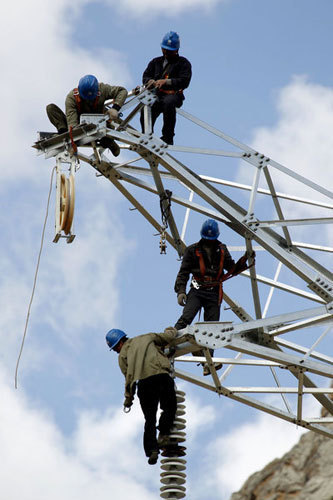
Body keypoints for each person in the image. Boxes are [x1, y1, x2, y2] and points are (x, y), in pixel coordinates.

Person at [174, 219, 252, 376]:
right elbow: (183, 272)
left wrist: (245, 260)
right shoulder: (192, 250)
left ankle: (207, 362)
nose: (210, 243)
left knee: (212, 328)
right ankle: (168, 340)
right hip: (197, 290)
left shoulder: (221, 250)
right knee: (186, 318)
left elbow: (231, 268)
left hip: (213, 292)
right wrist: (181, 291)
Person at [106, 326, 178, 465]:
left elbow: (129, 379)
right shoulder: (147, 337)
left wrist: (128, 400)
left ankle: (152, 450)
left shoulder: (122, 356)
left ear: (120, 343)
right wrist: (172, 329)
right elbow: (168, 337)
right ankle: (164, 433)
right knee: (170, 407)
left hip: (145, 385)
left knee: (149, 419)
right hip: (161, 377)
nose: (116, 351)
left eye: (115, 348)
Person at [46, 74, 128, 156]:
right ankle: (63, 134)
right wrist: (72, 138)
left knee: (111, 115)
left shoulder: (102, 89)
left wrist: (115, 107)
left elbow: (122, 91)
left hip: (100, 123)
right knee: (51, 108)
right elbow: (72, 122)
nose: (89, 100)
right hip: (79, 125)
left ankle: (109, 140)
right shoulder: (72, 98)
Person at [140, 31, 192, 145]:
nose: (166, 52)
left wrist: (167, 82)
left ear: (176, 50)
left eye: (169, 51)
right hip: (157, 94)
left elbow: (184, 81)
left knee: (168, 104)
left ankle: (167, 138)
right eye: (164, 50)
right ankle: (146, 135)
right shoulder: (156, 62)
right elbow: (145, 76)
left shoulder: (183, 63)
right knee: (146, 106)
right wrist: (150, 82)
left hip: (173, 95)